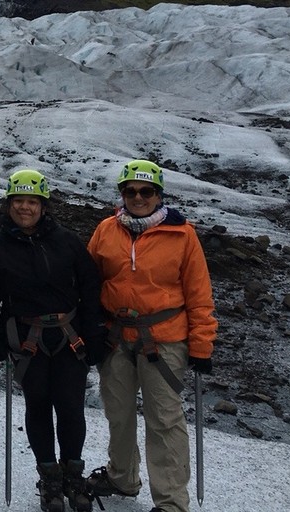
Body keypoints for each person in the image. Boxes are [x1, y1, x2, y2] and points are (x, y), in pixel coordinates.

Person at [86, 160, 218, 512]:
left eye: (146, 191)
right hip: (115, 336)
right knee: (119, 412)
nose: (138, 197)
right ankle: (122, 477)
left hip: (164, 339)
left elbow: (199, 294)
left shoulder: (182, 234)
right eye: (130, 191)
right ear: (122, 194)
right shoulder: (105, 230)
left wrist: (202, 345)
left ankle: (171, 502)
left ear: (159, 195)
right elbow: (89, 283)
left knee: (164, 418)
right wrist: (88, 330)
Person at [0, 169, 106, 512]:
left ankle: (72, 475)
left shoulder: (68, 241)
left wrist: (94, 333)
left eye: (32, 201)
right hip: (26, 339)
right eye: (19, 200)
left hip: (68, 336)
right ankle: (50, 478)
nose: (25, 207)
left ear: (44, 206)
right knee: (38, 406)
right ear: (8, 204)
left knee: (71, 406)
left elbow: (91, 288)